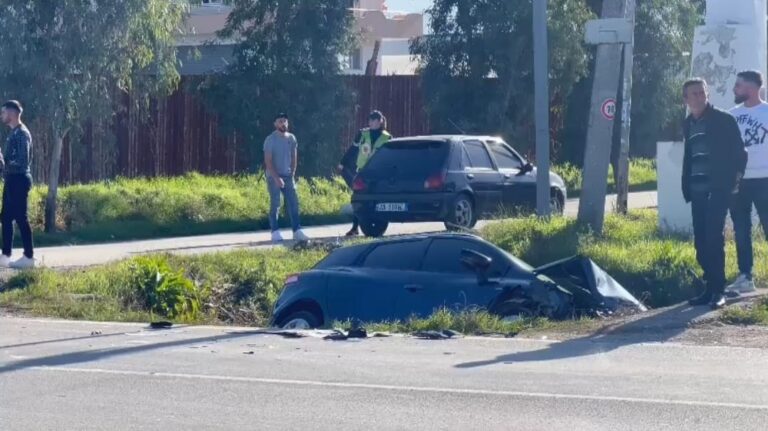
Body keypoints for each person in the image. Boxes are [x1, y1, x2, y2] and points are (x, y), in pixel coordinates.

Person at [681, 78, 747, 309]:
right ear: (686, 99)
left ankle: (719, 291)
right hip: (697, 192)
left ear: (707, 94)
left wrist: (734, 183)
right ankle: (708, 288)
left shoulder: (723, 120)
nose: (699, 97)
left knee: (713, 238)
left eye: (702, 92)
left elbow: (740, 154)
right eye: (694, 94)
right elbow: (689, 157)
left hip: (718, 190)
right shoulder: (688, 123)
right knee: (700, 240)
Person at [728, 70, 768, 294]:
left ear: (752, 88)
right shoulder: (731, 115)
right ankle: (745, 276)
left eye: (739, 85)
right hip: (739, 181)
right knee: (741, 229)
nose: (735, 89)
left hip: (765, 179)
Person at [337, 110, 391, 237]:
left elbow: (389, 157)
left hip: (378, 173)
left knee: (376, 200)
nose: (371, 122)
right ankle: (355, 228)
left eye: (374, 120)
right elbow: (353, 149)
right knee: (359, 199)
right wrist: (342, 162)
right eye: (370, 120)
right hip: (362, 171)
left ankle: (378, 224)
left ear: (380, 121)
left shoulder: (387, 137)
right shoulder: (362, 134)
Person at [264, 113, 309, 243]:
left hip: (288, 175)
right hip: (274, 176)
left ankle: (297, 230)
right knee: (276, 203)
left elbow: (294, 157)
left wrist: (292, 173)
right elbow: (268, 161)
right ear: (275, 124)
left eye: (285, 121)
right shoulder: (270, 140)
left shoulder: (292, 138)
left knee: (293, 202)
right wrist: (276, 178)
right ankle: (275, 231)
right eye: (280, 121)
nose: (283, 124)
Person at [0, 100, 34, 268]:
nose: (2, 116)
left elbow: (22, 161)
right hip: (11, 180)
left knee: (21, 217)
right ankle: (5, 255)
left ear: (12, 114)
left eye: (3, 112)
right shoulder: (13, 133)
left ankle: (28, 257)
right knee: (6, 218)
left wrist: (5, 164)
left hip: (20, 180)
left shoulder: (22, 134)